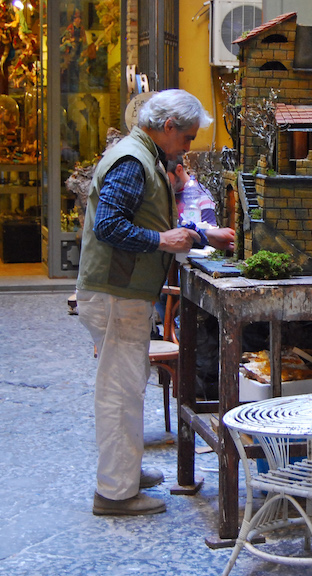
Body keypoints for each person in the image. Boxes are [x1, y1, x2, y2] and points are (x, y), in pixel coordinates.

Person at [76, 89, 235, 516]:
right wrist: (163, 240)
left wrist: (203, 234)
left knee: (127, 385)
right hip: (115, 292)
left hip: (121, 291)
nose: (187, 147)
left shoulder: (144, 156)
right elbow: (110, 225)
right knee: (119, 391)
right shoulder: (133, 161)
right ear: (168, 128)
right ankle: (114, 492)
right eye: (186, 138)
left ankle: (123, 471)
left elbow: (149, 218)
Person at [166, 157, 218, 227]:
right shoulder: (167, 194)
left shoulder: (202, 197)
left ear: (179, 170)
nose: (165, 182)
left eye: (167, 178)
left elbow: (211, 233)